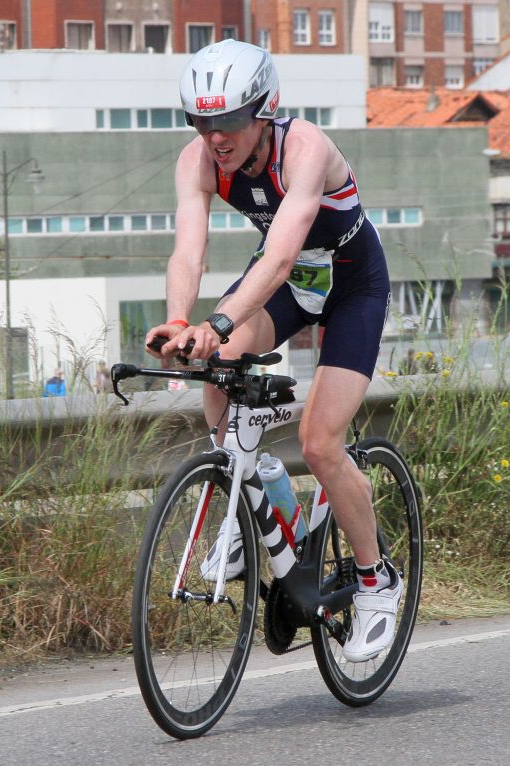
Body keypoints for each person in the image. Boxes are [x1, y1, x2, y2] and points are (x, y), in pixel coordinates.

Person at [144, 40, 397, 663]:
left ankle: (376, 582)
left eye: (227, 121)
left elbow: (282, 254)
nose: (214, 137)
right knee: (215, 366)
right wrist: (182, 322)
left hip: (350, 286)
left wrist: (221, 318)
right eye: (201, 122)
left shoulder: (306, 149)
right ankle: (249, 485)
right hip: (292, 285)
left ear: (264, 111)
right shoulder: (198, 161)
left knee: (320, 443)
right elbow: (188, 252)